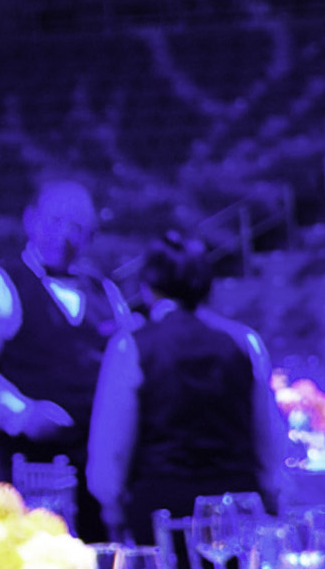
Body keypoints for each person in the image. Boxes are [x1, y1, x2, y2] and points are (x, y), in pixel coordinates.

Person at [0, 179, 123, 530]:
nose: (66, 235)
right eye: (56, 222)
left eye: (78, 227)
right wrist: (22, 414)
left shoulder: (107, 292)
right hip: (23, 466)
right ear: (30, 220)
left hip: (94, 464)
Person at [88, 230, 287, 549]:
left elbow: (111, 446)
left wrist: (111, 506)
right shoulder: (244, 342)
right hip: (237, 508)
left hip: (162, 514)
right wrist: (272, 494)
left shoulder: (132, 346)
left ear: (148, 287)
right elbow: (268, 437)